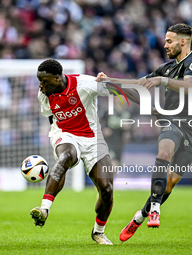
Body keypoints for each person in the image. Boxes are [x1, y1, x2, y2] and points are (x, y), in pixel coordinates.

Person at [97, 23, 192, 241]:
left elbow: (191, 86)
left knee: (169, 184)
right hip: (171, 119)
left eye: (169, 41)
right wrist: (110, 80)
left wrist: (162, 80)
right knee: (164, 151)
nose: (165, 45)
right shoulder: (167, 67)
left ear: (183, 42)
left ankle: (140, 216)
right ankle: (155, 209)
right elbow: (140, 84)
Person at [30, 59, 114, 245]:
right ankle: (44, 209)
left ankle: (98, 232)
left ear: (57, 78)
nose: (40, 85)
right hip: (64, 133)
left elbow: (114, 90)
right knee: (66, 156)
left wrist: (107, 82)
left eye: (44, 81)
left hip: (93, 138)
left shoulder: (85, 84)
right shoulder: (43, 94)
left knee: (106, 189)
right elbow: (51, 118)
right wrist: (58, 138)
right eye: (39, 80)